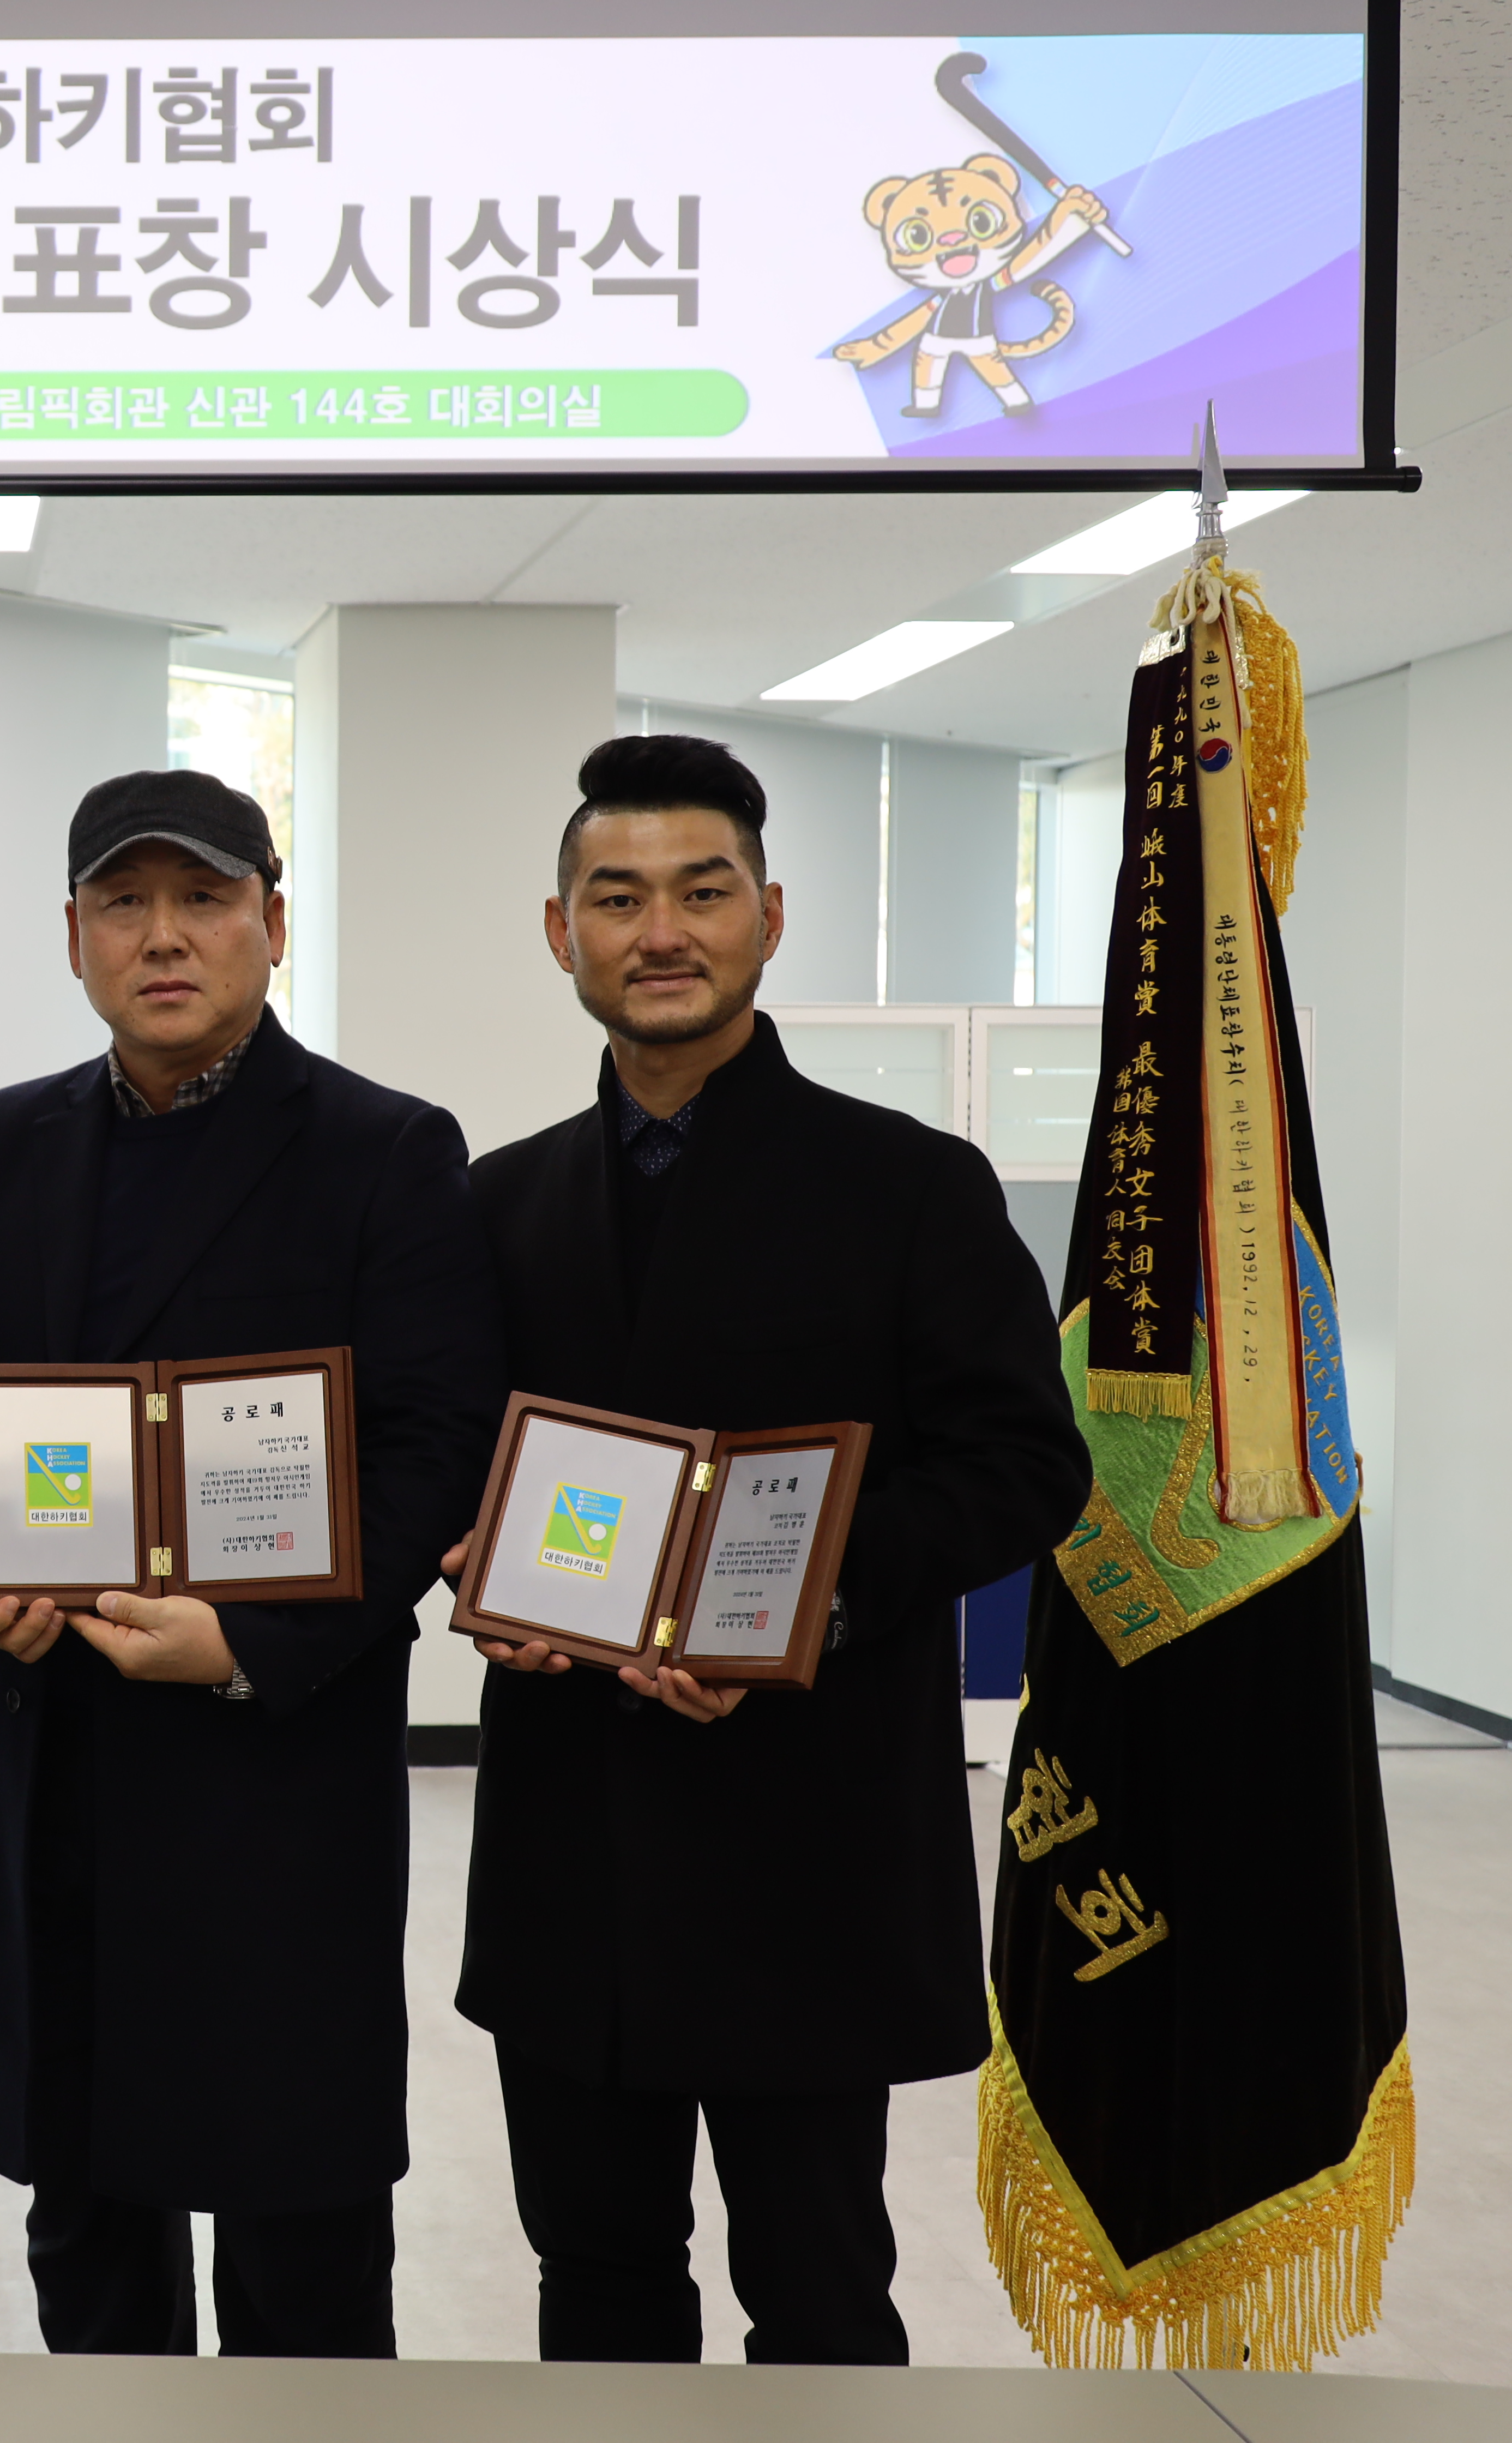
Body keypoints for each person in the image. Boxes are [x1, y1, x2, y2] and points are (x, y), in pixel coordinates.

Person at [454, 733, 1089, 2364]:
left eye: (703, 891)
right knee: (594, 2281)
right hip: (573, 1847)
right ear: (562, 932)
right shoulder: (496, 1205)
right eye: (618, 898)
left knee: (818, 2294)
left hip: (807, 1835)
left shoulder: (912, 1187)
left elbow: (1026, 1467)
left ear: (771, 916)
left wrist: (807, 1601)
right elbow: (455, 1467)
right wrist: (473, 1569)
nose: (661, 932)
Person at [0, 768, 507, 2358]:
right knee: (86, 2225)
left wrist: (250, 1645)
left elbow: (436, 1443)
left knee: (302, 2239)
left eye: (204, 898)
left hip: (269, 1777)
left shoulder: (383, 1150)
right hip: (50, 1753)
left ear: (272, 923)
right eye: (125, 903)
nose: (162, 937)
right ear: (74, 936)